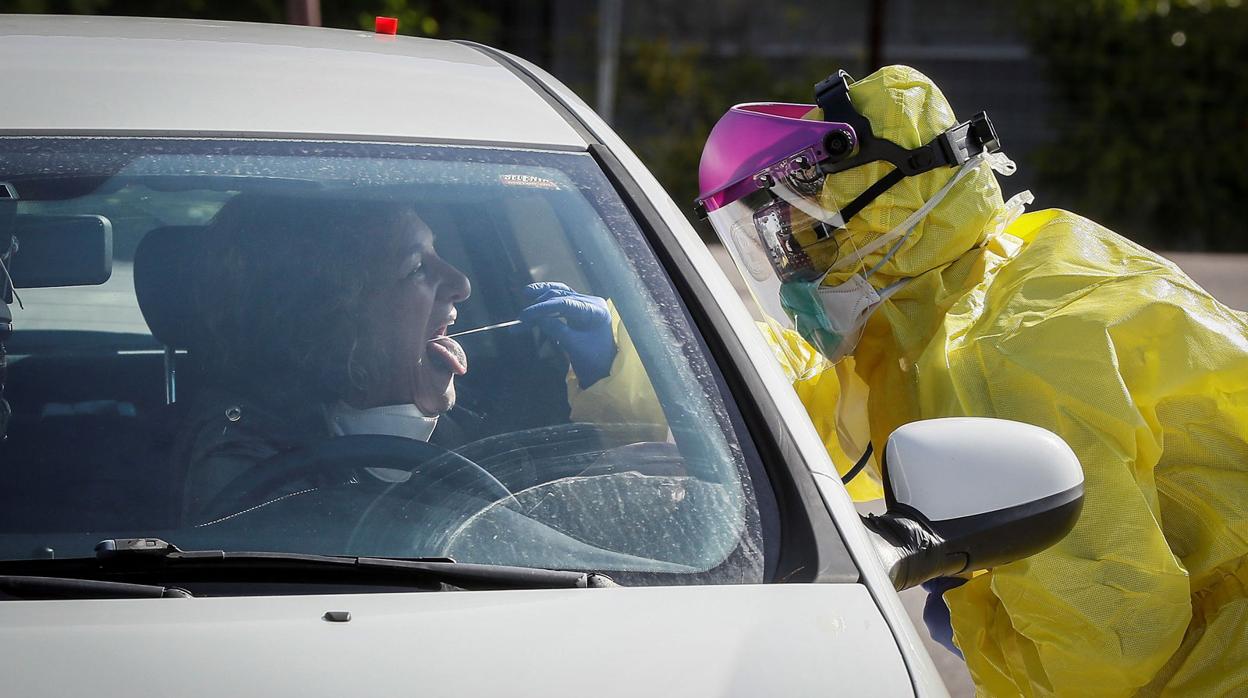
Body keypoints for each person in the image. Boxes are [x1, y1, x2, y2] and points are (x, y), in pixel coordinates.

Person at [695, 65, 1248, 696]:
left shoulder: (1004, 356)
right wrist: (651, 348)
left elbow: (1109, 641)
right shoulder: (986, 277)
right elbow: (820, 407)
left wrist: (978, 617)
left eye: (807, 241)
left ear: (874, 222)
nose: (795, 273)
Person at [173, 194, 630, 522]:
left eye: (438, 253)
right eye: (416, 268)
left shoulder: (482, 420)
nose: (461, 283)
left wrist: (608, 376)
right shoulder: (239, 459)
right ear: (328, 318)